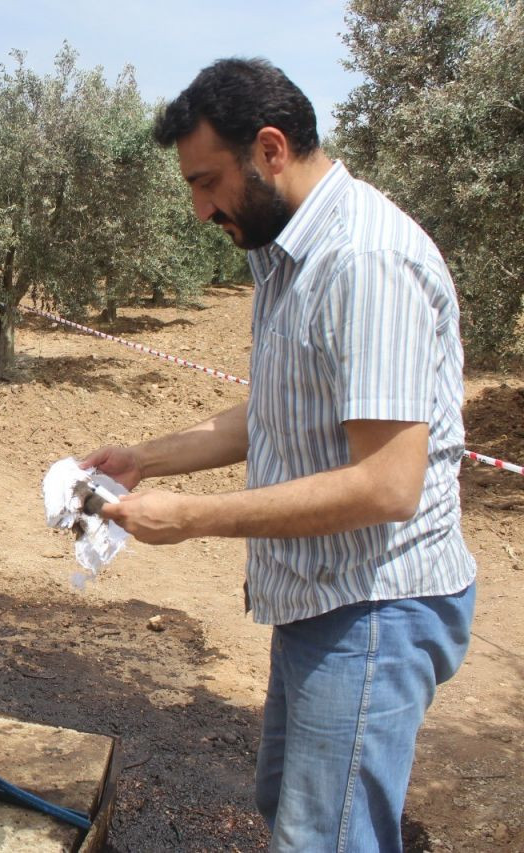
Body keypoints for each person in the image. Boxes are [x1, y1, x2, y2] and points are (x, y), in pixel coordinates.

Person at [82, 58, 476, 852]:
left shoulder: (363, 261)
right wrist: (145, 459)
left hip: (375, 604)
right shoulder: (289, 255)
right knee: (292, 808)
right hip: (320, 597)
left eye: (206, 181)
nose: (199, 211)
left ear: (269, 149)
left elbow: (389, 483)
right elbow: (279, 412)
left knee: (324, 839)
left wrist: (192, 519)